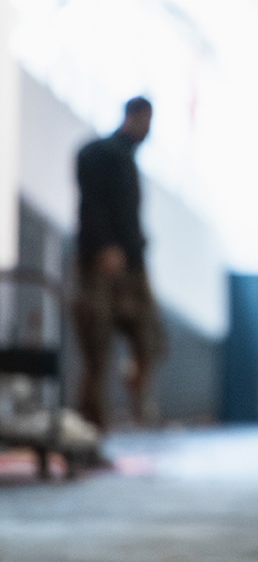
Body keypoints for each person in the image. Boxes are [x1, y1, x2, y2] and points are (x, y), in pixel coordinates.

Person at [72, 95, 166, 430]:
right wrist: (105, 246)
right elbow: (94, 205)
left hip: (133, 264)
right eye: (147, 120)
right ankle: (94, 422)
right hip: (102, 264)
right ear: (135, 116)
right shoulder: (102, 154)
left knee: (151, 339)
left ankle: (133, 392)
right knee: (96, 346)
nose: (150, 129)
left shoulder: (127, 159)